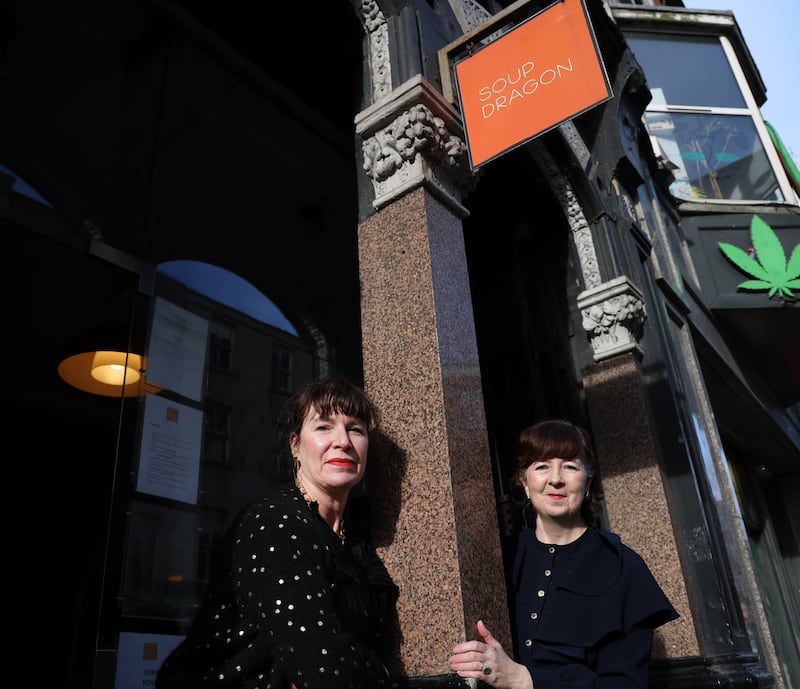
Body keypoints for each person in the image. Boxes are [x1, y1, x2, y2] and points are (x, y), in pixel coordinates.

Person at [157, 376, 399, 689]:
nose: (343, 441)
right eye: (324, 427)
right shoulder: (275, 523)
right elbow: (322, 665)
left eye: (355, 429)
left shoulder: (355, 538)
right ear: (295, 445)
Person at [449, 419, 678, 689]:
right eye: (542, 467)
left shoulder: (624, 568)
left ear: (588, 481)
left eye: (570, 466)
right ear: (524, 482)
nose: (556, 479)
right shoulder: (498, 559)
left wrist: (524, 679)